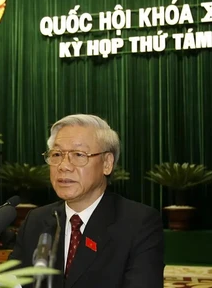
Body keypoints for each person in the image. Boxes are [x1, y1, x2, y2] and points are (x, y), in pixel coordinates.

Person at [9, 114, 164, 288]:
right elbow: (14, 281)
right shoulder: (36, 221)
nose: (64, 166)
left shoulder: (138, 223)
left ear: (107, 163)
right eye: (57, 154)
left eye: (78, 154)